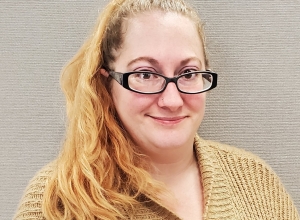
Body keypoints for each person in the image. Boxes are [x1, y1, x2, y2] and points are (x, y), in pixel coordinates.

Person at [14, 0, 299, 219]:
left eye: (188, 73)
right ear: (107, 83)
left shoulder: (256, 182)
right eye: (146, 75)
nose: (172, 100)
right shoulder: (56, 198)